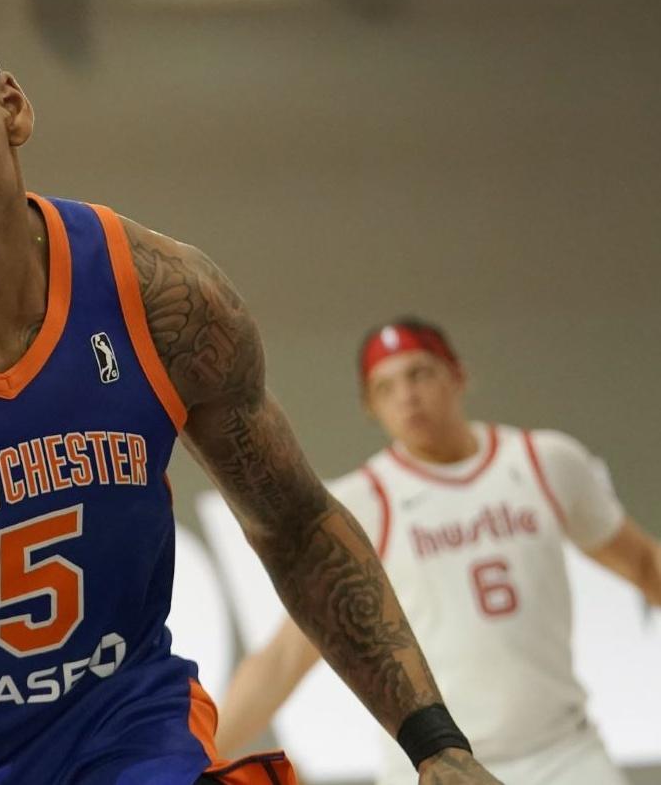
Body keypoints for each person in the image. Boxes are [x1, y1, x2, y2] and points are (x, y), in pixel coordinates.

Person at [0, 0, 500, 783]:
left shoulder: (161, 297)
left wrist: (435, 744)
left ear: (11, 109)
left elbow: (296, 524)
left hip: (115, 733)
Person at [214, 317, 661, 784]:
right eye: (385, 387)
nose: (406, 395)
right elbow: (287, 654)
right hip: (436, 764)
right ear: (371, 408)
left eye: (419, 373)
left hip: (562, 752)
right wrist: (201, 750)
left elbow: (645, 563)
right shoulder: (365, 502)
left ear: (459, 376)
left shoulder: (543, 462)